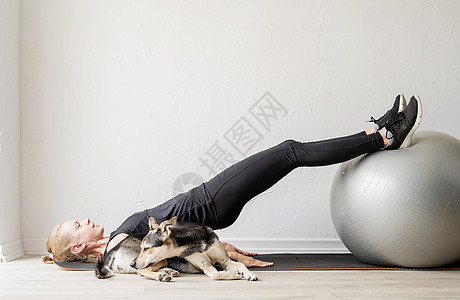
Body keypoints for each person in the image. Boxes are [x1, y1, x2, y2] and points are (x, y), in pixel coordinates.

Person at [43, 94, 422, 268]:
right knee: (290, 150)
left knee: (290, 155)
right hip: (212, 199)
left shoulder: (118, 242)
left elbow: (175, 241)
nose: (87, 221)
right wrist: (222, 254)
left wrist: (223, 245)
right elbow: (167, 252)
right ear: (78, 246)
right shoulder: (119, 245)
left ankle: (377, 132)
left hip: (213, 203)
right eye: (79, 225)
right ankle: (383, 137)